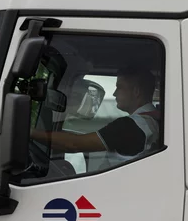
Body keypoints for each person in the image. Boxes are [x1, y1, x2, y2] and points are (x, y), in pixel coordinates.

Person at [30, 66, 161, 165]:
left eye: (119, 87)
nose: (114, 93)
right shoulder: (155, 121)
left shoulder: (129, 126)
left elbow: (73, 144)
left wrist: (30, 133)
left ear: (136, 91)